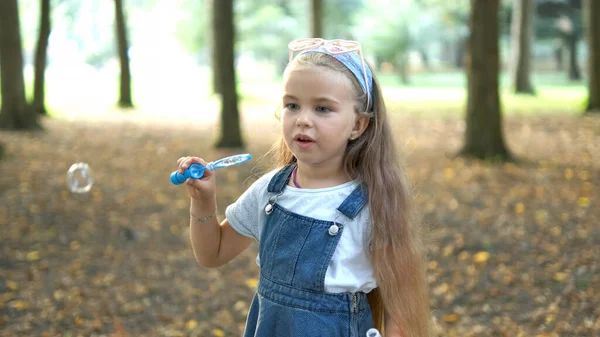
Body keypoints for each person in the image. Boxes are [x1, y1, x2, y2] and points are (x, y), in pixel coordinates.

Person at [175, 38, 430, 337]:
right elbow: (212, 254)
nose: (303, 120)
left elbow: (400, 307)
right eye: (292, 105)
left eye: (322, 108)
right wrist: (203, 201)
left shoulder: (372, 203)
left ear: (358, 125)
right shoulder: (270, 192)